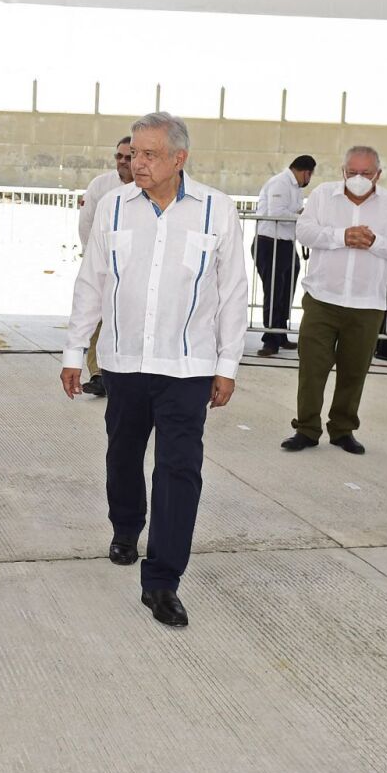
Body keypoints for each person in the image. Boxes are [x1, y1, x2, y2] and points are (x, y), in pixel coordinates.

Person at [60, 112, 247, 629]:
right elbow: (92, 281)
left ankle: (162, 580)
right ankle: (125, 525)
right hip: (123, 361)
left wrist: (227, 365)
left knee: (179, 471)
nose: (135, 163)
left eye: (148, 155)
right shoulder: (113, 207)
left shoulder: (216, 210)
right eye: (133, 154)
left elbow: (233, 293)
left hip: (187, 365)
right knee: (122, 454)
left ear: (178, 159)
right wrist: (75, 351)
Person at [282, 146, 387, 455]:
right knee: (312, 368)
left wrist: (374, 242)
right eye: (352, 172)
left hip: (367, 304)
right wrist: (343, 236)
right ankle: (307, 428)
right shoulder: (322, 195)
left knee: (354, 371)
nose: (358, 178)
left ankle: (342, 429)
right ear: (343, 171)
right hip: (322, 298)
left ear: (378, 175)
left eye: (365, 173)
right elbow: (304, 231)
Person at [75, 136, 133, 396]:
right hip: (105, 266)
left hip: (135, 270)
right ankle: (98, 374)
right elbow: (86, 224)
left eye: (128, 157)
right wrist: (94, 260)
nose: (122, 161)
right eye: (118, 156)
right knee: (98, 318)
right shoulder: (101, 186)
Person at [254, 155, 315, 357]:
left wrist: (301, 214)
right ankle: (270, 339)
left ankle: (280, 333)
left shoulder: (295, 188)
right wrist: (303, 216)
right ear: (306, 171)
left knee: (286, 291)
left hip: (286, 244)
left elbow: (292, 212)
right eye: (310, 175)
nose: (309, 179)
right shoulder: (280, 183)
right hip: (270, 243)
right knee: (273, 292)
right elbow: (277, 213)